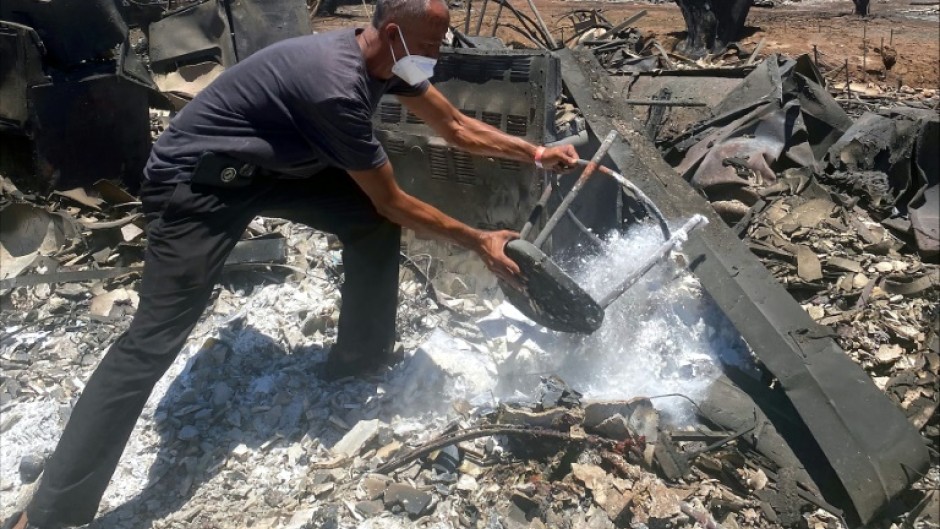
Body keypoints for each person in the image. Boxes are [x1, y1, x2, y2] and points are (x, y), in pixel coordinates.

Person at [4, 0, 577, 526]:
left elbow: (454, 126)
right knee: (152, 339)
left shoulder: (391, 62)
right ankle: (54, 510)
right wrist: (479, 240)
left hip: (270, 168)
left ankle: (361, 357)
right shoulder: (334, 85)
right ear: (396, 34)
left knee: (367, 223)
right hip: (196, 184)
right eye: (436, 41)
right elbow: (393, 200)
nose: (442, 52)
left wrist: (534, 151)